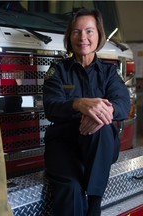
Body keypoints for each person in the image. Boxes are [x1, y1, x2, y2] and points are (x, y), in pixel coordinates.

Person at [43, 7, 131, 216]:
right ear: (69, 36)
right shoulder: (58, 71)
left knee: (101, 127)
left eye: (89, 31)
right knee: (71, 189)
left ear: (99, 35)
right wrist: (79, 104)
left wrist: (101, 113)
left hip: (100, 147)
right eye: (76, 31)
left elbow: (123, 104)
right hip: (65, 145)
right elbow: (51, 106)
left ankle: (94, 205)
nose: (83, 37)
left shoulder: (109, 72)